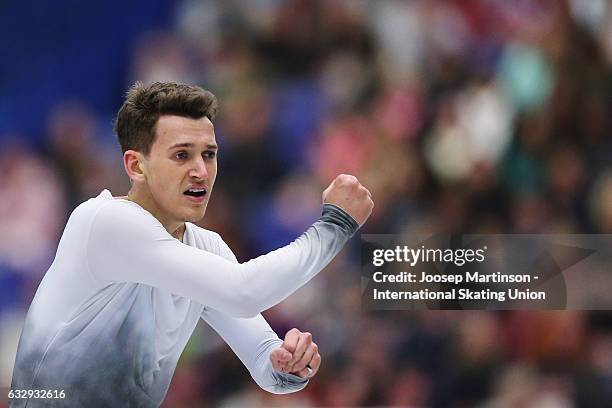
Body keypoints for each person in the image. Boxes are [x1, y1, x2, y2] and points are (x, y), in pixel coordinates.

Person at [10, 81, 373, 407]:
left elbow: (266, 363)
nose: (201, 170)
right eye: (182, 155)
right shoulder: (102, 222)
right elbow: (242, 291)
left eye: (209, 154)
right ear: (136, 166)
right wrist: (334, 226)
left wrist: (288, 365)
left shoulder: (206, 248)